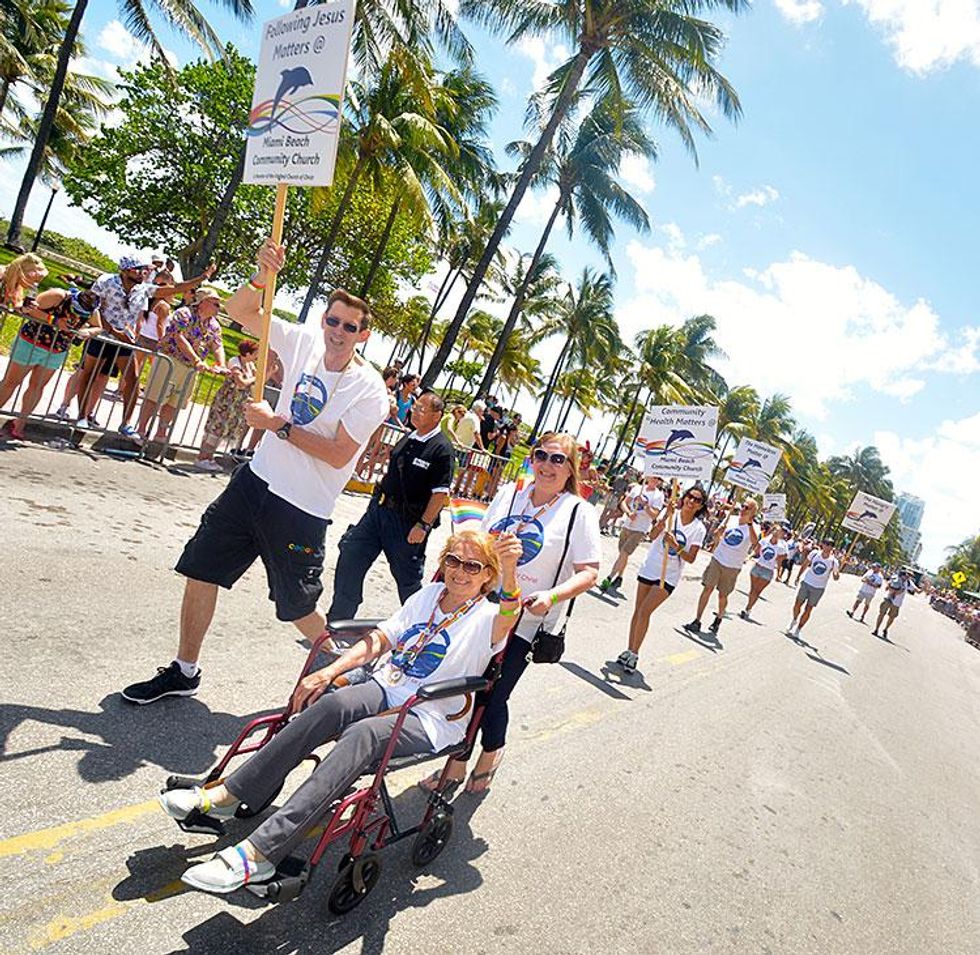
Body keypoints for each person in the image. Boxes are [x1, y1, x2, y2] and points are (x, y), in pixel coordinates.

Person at [161, 529, 525, 895]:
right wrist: (330, 671)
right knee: (332, 702)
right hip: (387, 687)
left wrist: (510, 569)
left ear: (487, 576)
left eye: (472, 566)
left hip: (429, 715)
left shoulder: (487, 617)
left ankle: (261, 853)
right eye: (453, 560)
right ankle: (228, 796)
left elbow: (512, 610)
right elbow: (382, 638)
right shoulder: (430, 595)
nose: (460, 571)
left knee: (363, 733)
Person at [121, 239, 388, 704]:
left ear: (363, 335)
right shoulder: (304, 340)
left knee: (298, 610)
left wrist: (277, 425)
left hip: (301, 507)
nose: (338, 332)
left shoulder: (370, 391)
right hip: (254, 483)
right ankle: (185, 670)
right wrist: (263, 274)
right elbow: (240, 311)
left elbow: (340, 454)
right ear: (323, 320)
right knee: (202, 568)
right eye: (332, 320)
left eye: (350, 326)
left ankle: (349, 675)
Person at [421, 432, 601, 793]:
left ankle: (490, 754)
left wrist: (550, 596)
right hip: (481, 608)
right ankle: (456, 763)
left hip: (525, 619)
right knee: (465, 688)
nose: (547, 465)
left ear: (571, 469)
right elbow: (481, 545)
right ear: (532, 459)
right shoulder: (510, 494)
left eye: (558, 459)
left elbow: (590, 572)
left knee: (494, 693)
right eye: (541, 455)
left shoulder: (578, 512)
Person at [327, 391, 454, 620]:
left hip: (406, 524)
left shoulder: (441, 449)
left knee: (407, 582)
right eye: (415, 406)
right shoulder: (409, 436)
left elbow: (439, 494)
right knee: (351, 554)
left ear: (437, 416)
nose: (415, 411)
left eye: (422, 409)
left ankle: (419, 627)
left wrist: (423, 525)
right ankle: (339, 619)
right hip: (378, 513)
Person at [68, 256, 210, 433]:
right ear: (126, 270)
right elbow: (93, 308)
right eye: (138, 269)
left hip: (125, 341)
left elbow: (173, 289)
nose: (143, 273)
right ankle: (81, 417)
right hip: (101, 335)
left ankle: (126, 423)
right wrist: (113, 331)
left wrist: (202, 278)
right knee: (90, 374)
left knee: (132, 380)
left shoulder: (143, 290)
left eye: (144, 269)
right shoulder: (106, 281)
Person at [618, 483, 708, 673]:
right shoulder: (670, 515)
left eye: (697, 500)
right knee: (637, 611)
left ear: (701, 506)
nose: (691, 501)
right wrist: (665, 516)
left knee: (644, 611)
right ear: (683, 498)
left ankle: (634, 654)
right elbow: (651, 536)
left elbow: (691, 558)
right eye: (689, 497)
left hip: (668, 577)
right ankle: (628, 650)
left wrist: (676, 546)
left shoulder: (698, 528)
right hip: (649, 568)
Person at [0, 289, 101, 439]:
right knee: (12, 381)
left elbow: (98, 327)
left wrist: (89, 332)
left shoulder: (92, 310)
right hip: (31, 342)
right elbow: (29, 309)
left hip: (57, 349)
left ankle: (20, 423)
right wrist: (53, 320)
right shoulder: (58, 296)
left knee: (37, 386)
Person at [134, 286, 228, 444]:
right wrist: (196, 360)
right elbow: (179, 337)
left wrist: (221, 364)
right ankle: (141, 430)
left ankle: (161, 434)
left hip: (190, 369)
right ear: (203, 302)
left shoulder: (214, 325)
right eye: (216, 303)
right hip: (170, 360)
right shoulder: (184, 314)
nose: (219, 308)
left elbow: (218, 345)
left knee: (175, 402)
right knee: (154, 396)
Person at [684, 499, 759, 636]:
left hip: (732, 567)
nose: (742, 509)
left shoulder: (754, 528)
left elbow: (755, 544)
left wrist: (750, 524)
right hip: (718, 559)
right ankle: (697, 620)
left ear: (752, 512)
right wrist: (718, 533)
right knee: (707, 588)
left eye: (747, 507)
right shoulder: (732, 519)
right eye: (742, 506)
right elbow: (717, 536)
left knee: (722, 595)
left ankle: (718, 618)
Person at [194, 339, 258, 471]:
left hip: (237, 403)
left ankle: (209, 457)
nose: (257, 356)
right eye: (255, 353)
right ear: (247, 353)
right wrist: (255, 379)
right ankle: (203, 456)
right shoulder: (235, 362)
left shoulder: (250, 365)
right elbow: (241, 382)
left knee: (223, 429)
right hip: (226, 399)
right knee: (215, 427)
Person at [598, 475, 664, 594]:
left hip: (640, 529)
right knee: (623, 555)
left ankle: (609, 577)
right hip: (628, 525)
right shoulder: (638, 488)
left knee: (625, 552)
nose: (655, 480)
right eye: (653, 477)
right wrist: (628, 513)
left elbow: (654, 514)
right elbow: (624, 502)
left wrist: (645, 505)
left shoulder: (659, 495)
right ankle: (620, 577)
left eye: (658, 479)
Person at [786, 539, 840, 637]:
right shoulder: (815, 554)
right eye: (826, 544)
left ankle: (798, 629)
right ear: (822, 544)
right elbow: (805, 564)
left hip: (819, 588)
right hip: (807, 582)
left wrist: (836, 573)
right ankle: (794, 620)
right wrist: (798, 576)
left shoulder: (834, 561)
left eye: (830, 545)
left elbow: (836, 577)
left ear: (832, 547)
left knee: (808, 609)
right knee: (798, 603)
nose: (827, 546)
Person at [739, 525, 787, 621]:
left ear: (781, 534)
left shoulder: (781, 547)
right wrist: (748, 557)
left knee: (757, 591)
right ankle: (748, 607)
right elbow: (756, 551)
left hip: (768, 571)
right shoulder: (764, 540)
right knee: (752, 590)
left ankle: (747, 609)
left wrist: (778, 575)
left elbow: (779, 562)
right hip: (757, 567)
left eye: (778, 531)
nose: (776, 532)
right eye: (775, 530)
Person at [872, 568, 915, 638]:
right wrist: (890, 588)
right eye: (908, 574)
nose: (908, 576)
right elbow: (888, 584)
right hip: (888, 598)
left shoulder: (909, 583)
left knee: (892, 617)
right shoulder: (896, 577)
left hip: (897, 603)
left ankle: (885, 629)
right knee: (881, 614)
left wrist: (925, 587)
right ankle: (876, 629)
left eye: (910, 575)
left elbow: (917, 591)